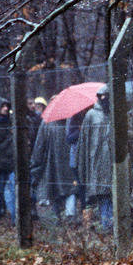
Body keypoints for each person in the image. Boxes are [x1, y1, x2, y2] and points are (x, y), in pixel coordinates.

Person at [77, 85, 113, 230]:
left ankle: (108, 227)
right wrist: (83, 166)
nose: (103, 99)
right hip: (97, 163)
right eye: (101, 96)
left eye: (106, 96)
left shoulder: (114, 113)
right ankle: (105, 227)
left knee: (110, 196)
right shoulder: (91, 115)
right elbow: (84, 143)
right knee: (102, 196)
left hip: (113, 163)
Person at [29, 117, 76, 221]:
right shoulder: (73, 120)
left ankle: (58, 217)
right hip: (69, 163)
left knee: (54, 189)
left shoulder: (47, 122)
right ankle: (70, 216)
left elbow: (39, 145)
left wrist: (35, 162)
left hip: (53, 163)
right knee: (70, 188)